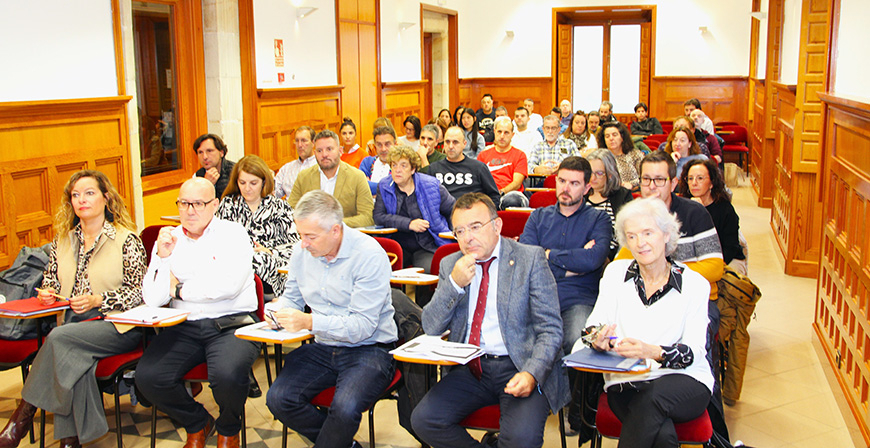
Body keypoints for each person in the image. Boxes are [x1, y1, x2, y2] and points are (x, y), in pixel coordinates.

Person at [0, 170, 146, 448]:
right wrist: (47, 294)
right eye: (76, 195)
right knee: (74, 358)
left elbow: (139, 293)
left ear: (106, 198)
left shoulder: (127, 240)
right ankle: (71, 440)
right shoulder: (62, 241)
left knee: (58, 340)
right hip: (72, 324)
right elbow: (51, 282)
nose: (82, 200)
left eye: (89, 193)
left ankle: (20, 420)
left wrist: (97, 300)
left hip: (116, 324)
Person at [411, 193, 568, 448]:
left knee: (521, 440)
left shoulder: (529, 259)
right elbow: (431, 326)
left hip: (519, 364)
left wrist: (532, 373)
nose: (467, 237)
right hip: (472, 368)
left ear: (497, 225)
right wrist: (454, 284)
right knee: (424, 420)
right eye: (459, 231)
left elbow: (550, 330)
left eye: (475, 227)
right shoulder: (452, 263)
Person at [576, 197, 714, 448]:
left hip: (684, 380)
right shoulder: (615, 274)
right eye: (632, 236)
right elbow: (590, 327)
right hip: (626, 380)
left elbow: (693, 352)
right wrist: (597, 339)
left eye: (648, 233)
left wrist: (652, 351)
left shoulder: (695, 285)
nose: (640, 243)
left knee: (652, 400)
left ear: (666, 234)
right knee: (662, 436)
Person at [265, 190, 398, 448]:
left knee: (345, 408)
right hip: (324, 347)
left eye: (310, 236)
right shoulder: (301, 252)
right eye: (300, 235)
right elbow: (291, 297)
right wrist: (278, 310)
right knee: (279, 399)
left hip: (370, 349)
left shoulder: (368, 255)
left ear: (336, 231)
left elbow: (362, 326)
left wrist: (309, 322)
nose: (303, 243)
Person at [136, 177, 260, 448]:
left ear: (214, 205)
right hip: (185, 325)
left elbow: (226, 287)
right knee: (148, 377)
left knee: (227, 375)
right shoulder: (171, 238)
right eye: (183, 203)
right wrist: (162, 257)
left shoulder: (233, 234)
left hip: (232, 324)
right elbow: (153, 298)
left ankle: (228, 428)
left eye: (198, 204)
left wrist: (179, 291)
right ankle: (197, 422)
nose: (189, 210)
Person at [519, 157, 611, 434]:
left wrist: (548, 256)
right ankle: (536, 398)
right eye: (562, 181)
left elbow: (593, 260)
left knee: (575, 340)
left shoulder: (598, 218)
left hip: (578, 298)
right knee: (521, 335)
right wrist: (570, 265)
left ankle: (574, 406)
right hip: (539, 296)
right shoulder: (538, 216)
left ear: (587, 187)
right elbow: (527, 258)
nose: (566, 189)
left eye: (574, 183)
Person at [216, 155, 299, 296]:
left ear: (263, 182)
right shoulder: (228, 205)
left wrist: (270, 251)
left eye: (253, 183)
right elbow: (217, 241)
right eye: (242, 183)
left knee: (261, 258)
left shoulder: (279, 207)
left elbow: (295, 245)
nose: (247, 188)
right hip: (236, 266)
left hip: (273, 267)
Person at [374, 145, 455, 271]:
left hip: (427, 244)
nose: (397, 170)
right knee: (384, 268)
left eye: (403, 165)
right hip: (398, 244)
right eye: (394, 165)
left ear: (413, 169)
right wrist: (409, 224)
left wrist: (452, 234)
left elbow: (453, 210)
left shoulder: (431, 186)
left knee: (429, 270)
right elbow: (378, 217)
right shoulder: (385, 186)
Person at [288, 130, 375, 227]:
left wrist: (335, 224)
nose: (324, 154)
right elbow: (290, 212)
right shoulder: (303, 177)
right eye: (319, 150)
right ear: (315, 153)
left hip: (345, 238)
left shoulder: (357, 177)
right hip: (311, 237)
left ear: (340, 151)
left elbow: (368, 217)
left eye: (329, 149)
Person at [679, 158, 746, 271]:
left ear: (711, 183)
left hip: (724, 258)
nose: (694, 183)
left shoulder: (725, 209)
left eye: (700, 178)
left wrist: (700, 211)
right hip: (693, 260)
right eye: (690, 178)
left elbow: (730, 247)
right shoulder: (681, 206)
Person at [425, 126, 501, 206]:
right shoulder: (433, 169)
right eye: (447, 142)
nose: (450, 146)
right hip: (443, 215)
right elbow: (425, 199)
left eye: (455, 142)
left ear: (464, 144)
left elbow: (494, 197)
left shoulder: (478, 168)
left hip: (471, 214)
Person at [585, 149, 634, 259]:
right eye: (590, 173)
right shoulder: (581, 196)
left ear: (610, 174)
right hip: (581, 253)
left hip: (610, 256)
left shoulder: (622, 196)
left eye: (599, 173)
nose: (593, 178)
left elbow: (627, 233)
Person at [477, 116, 529, 209]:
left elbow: (517, 183)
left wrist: (501, 192)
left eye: (506, 133)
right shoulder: (483, 155)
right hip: (488, 195)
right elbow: (478, 180)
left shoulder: (520, 155)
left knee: (512, 200)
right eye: (499, 132)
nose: (502, 136)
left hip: (510, 194)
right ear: (494, 132)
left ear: (512, 135)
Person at [597, 121, 643, 190]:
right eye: (607, 136)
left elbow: (645, 178)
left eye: (614, 135)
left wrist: (632, 185)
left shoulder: (635, 154)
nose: (611, 138)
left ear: (622, 137)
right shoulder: (600, 158)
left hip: (633, 193)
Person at [274, 126, 317, 198]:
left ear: (313, 143)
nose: (299, 145)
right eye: (297, 141)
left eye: (304, 140)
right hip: (289, 207)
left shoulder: (321, 167)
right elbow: (275, 193)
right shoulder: (287, 168)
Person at [193, 133, 235, 198]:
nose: (204, 157)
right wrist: (206, 185)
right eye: (200, 152)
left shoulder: (236, 172)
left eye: (209, 151)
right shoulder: (197, 176)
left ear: (221, 153)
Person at [360, 126, 396, 191]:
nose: (383, 149)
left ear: (395, 144)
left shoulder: (400, 165)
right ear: (375, 146)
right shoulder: (367, 162)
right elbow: (360, 185)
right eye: (379, 145)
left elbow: (395, 189)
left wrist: (370, 185)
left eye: (387, 144)